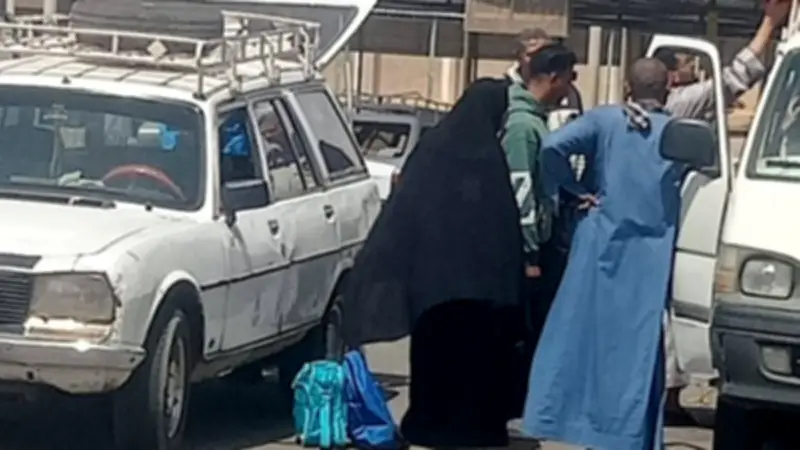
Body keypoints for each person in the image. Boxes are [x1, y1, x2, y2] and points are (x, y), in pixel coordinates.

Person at [341, 79, 524, 448]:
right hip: (480, 289)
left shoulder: (432, 148)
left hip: (432, 284)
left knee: (434, 357)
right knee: (477, 360)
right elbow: (503, 224)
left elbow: (405, 208)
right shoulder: (489, 157)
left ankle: (429, 423)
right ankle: (474, 428)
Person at [522, 58, 682, 450]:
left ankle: (571, 422)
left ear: (627, 87)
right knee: (637, 349)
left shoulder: (605, 120)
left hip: (601, 243)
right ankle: (630, 436)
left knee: (581, 337)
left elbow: (553, 146)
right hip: (651, 254)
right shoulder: (674, 131)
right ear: (667, 90)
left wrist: (574, 189)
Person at [651, 0, 789, 423]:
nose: (691, 70)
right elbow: (733, 80)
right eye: (685, 65)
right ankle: (668, 395)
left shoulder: (631, 115)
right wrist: (769, 24)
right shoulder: (679, 105)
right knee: (667, 310)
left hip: (656, 225)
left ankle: (667, 393)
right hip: (669, 223)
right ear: (670, 76)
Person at [501, 42, 577, 417]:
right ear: (553, 78)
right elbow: (522, 194)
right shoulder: (522, 127)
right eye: (569, 78)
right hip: (528, 253)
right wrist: (531, 253)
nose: (570, 87)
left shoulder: (536, 121)